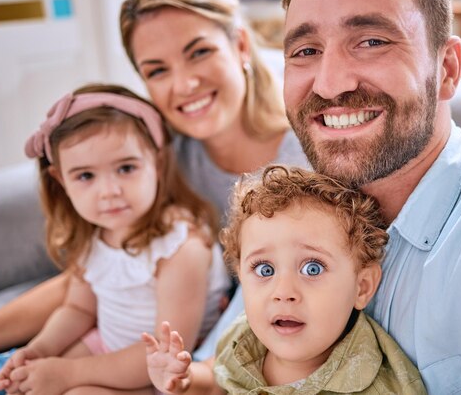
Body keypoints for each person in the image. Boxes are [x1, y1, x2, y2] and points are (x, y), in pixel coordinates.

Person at [147, 0, 461, 393]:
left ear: (446, 68)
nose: (330, 85)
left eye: (370, 40)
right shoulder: (294, 217)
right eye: (306, 51)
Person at [0, 0, 308, 392]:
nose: (184, 84)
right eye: (157, 70)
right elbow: (99, 271)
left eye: (200, 52)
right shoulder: (163, 157)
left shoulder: (302, 156)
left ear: (241, 46)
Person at [0, 83, 229, 395]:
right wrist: (38, 350)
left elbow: (166, 349)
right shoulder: (93, 231)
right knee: (24, 379)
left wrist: (69, 374)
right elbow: (79, 309)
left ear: (156, 164)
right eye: (86, 176)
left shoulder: (180, 246)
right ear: (61, 180)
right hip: (103, 344)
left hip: (160, 370)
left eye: (126, 168)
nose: (109, 191)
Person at [143, 165, 426, 394]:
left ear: (361, 287)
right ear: (241, 276)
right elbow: (216, 377)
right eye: (265, 269)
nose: (283, 292)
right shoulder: (246, 337)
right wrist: (186, 379)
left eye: (312, 268)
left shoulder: (376, 385)